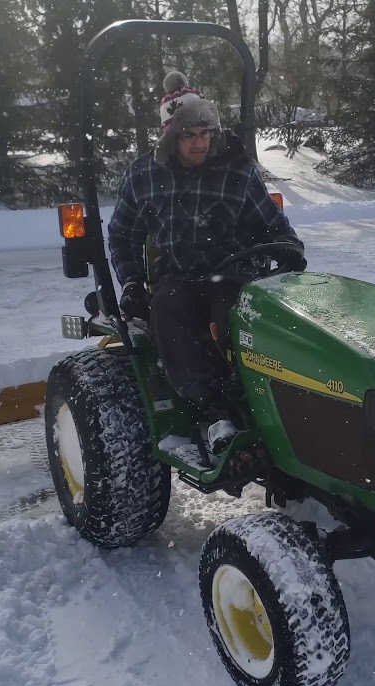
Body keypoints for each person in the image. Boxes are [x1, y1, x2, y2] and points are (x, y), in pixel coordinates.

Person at [107, 71, 306, 454]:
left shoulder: (237, 172)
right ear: (170, 134)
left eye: (206, 133)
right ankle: (213, 412)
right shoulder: (144, 176)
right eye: (189, 135)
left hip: (232, 274)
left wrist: (287, 247)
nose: (200, 143)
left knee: (238, 321)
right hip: (178, 278)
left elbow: (274, 225)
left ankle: (272, 404)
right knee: (167, 311)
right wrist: (131, 282)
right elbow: (123, 234)